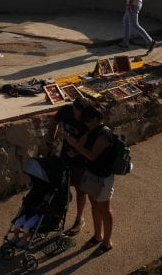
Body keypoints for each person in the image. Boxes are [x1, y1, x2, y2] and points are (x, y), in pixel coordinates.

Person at [62, 105, 115, 254]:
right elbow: (83, 146)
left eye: (89, 121)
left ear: (98, 119)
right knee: (95, 207)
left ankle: (107, 242)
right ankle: (97, 236)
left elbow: (92, 155)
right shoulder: (92, 130)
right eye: (85, 121)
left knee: (104, 209)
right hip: (92, 174)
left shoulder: (104, 135)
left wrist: (75, 146)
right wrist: (76, 147)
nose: (86, 124)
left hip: (103, 177)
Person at [49, 99, 89, 235]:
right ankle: (58, 216)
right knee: (61, 187)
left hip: (81, 159)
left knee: (81, 190)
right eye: (76, 114)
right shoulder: (66, 111)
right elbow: (54, 122)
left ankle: (79, 218)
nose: (78, 117)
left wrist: (77, 152)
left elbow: (92, 140)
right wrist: (50, 140)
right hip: (65, 155)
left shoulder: (88, 117)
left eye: (81, 115)